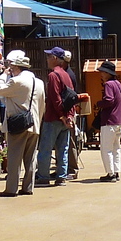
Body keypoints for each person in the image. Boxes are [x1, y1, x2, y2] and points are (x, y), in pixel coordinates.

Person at [0, 49, 44, 196]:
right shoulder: (39, 82)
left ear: (16, 67)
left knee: (14, 158)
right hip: (34, 124)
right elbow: (42, 105)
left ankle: (11, 189)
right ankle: (28, 187)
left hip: (18, 125)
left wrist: (3, 75)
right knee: (30, 158)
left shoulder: (16, 81)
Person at [36, 47, 77, 186]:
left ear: (55, 58)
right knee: (63, 149)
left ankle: (43, 177)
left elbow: (55, 98)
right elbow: (72, 97)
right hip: (65, 119)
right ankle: (61, 177)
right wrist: (69, 116)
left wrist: (62, 116)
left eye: (49, 57)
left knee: (45, 148)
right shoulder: (66, 75)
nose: (47, 59)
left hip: (54, 118)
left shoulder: (54, 75)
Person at [94, 60, 121, 182]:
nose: (101, 74)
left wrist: (99, 103)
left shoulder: (108, 85)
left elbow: (109, 100)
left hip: (109, 121)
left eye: (102, 72)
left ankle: (110, 173)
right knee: (116, 148)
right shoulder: (118, 84)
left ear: (108, 73)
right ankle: (116, 172)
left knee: (106, 149)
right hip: (118, 121)